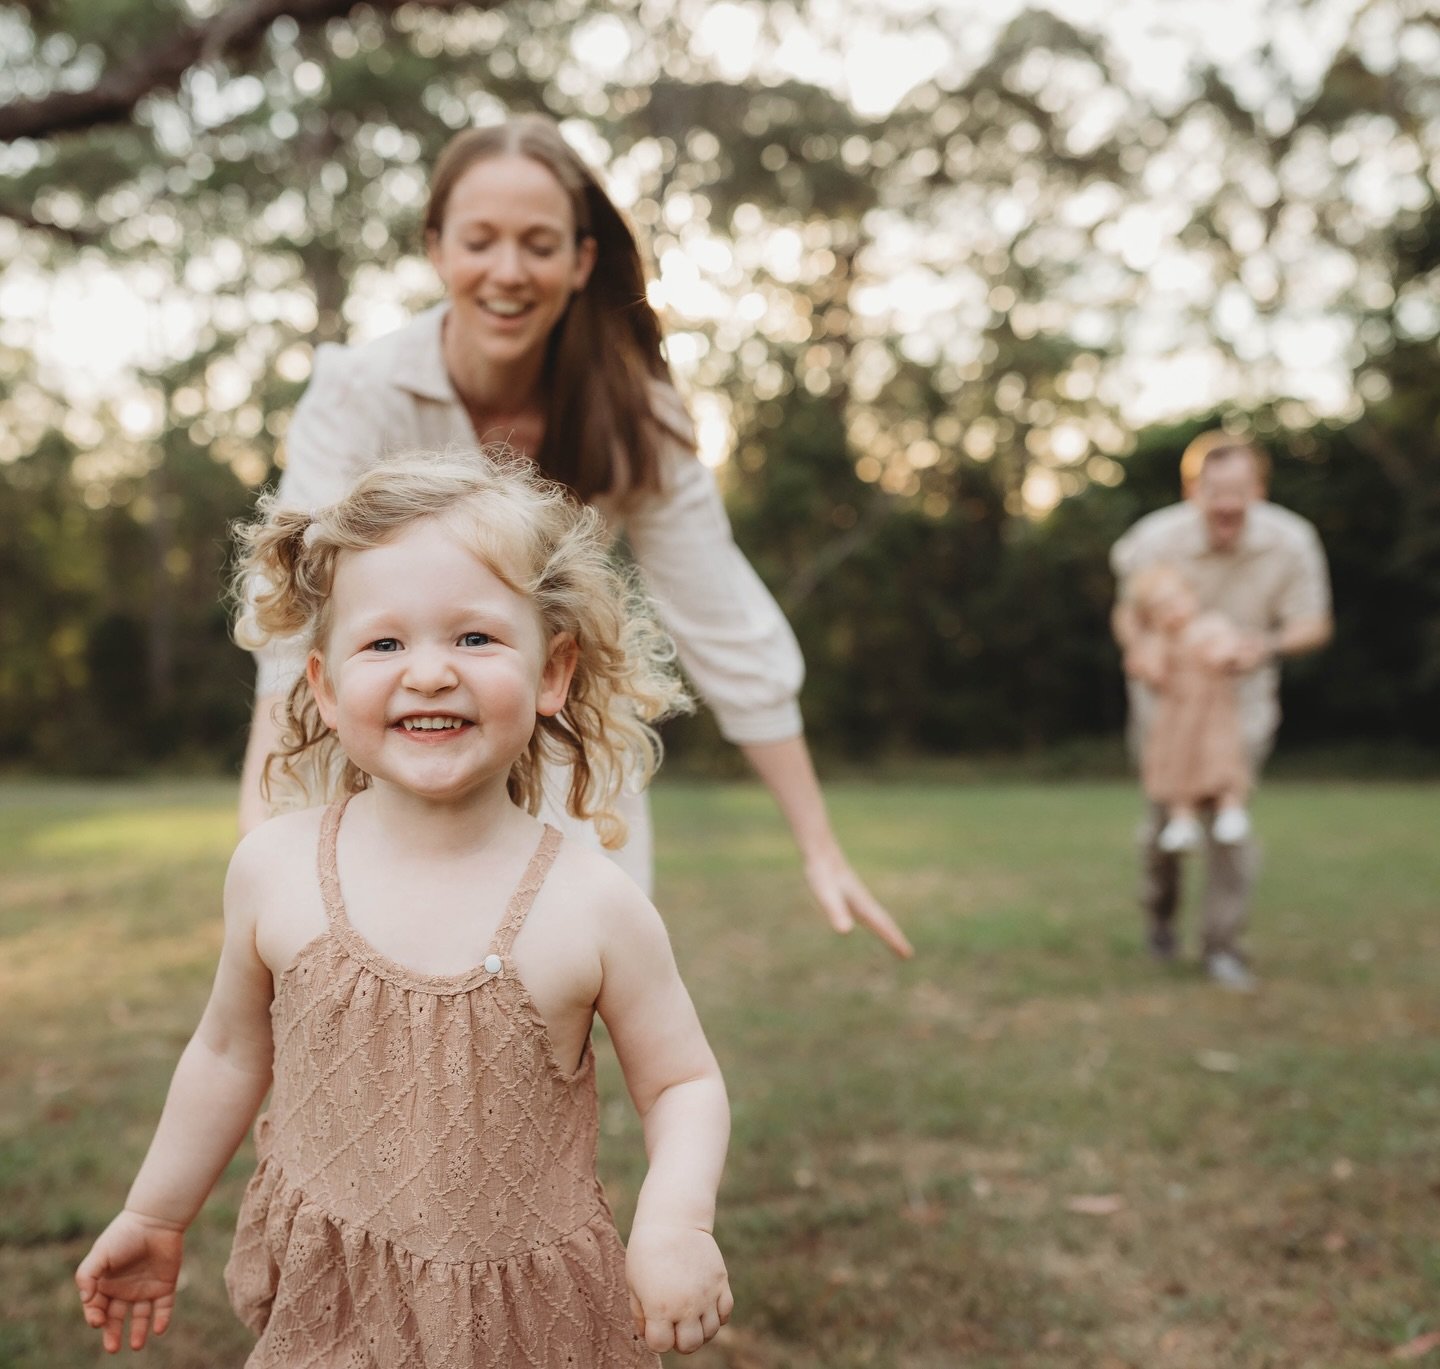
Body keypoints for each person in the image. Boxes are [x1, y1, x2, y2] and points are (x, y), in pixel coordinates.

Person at [76, 451, 732, 1364]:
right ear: (328, 688)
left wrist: (677, 1222)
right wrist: (155, 1210)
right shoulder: (275, 868)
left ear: (553, 672)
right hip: (332, 1302)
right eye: (385, 644)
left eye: (474, 638)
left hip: (526, 1324)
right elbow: (227, 1052)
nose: (429, 673)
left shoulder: (591, 904)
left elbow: (681, 1083)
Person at [237, 112, 911, 958]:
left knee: (560, 1027)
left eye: (539, 244)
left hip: (563, 760)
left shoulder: (638, 418)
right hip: (398, 760)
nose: (508, 272)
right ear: (437, 248)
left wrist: (819, 841)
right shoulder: (358, 392)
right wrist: (261, 833)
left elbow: (722, 617)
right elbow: (294, 613)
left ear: (582, 260)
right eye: (480, 241)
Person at [1111, 431, 1332, 989]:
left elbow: (1314, 623)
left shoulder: (1292, 541)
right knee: (1166, 821)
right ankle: (1160, 919)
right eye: (1216, 491)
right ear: (1193, 490)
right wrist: (1140, 649)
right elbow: (1127, 613)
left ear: (1259, 488)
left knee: (1229, 822)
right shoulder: (1154, 540)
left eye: (1240, 490)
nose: (1228, 504)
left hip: (1242, 704)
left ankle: (1223, 946)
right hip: (1167, 705)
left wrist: (1266, 647)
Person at [1127, 562, 1253, 853]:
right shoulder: (1160, 640)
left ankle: (1230, 808)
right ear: (1150, 617)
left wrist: (1229, 654)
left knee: (1219, 758)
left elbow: (1235, 653)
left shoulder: (1211, 626)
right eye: (1161, 608)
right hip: (1178, 718)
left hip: (1213, 714)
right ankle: (1182, 819)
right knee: (1178, 765)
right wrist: (1153, 643)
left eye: (1175, 601)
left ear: (1192, 596)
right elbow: (1155, 675)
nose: (1172, 611)